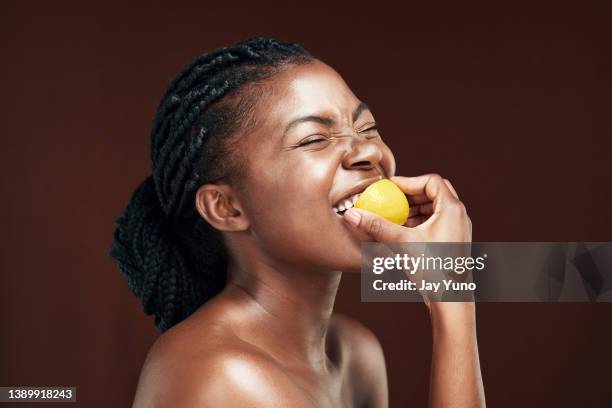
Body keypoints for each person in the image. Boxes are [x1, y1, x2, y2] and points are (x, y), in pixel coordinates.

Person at [110, 37, 485, 407]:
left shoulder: (355, 354)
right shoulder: (221, 374)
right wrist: (452, 302)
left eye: (367, 128)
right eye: (314, 139)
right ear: (226, 207)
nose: (370, 150)